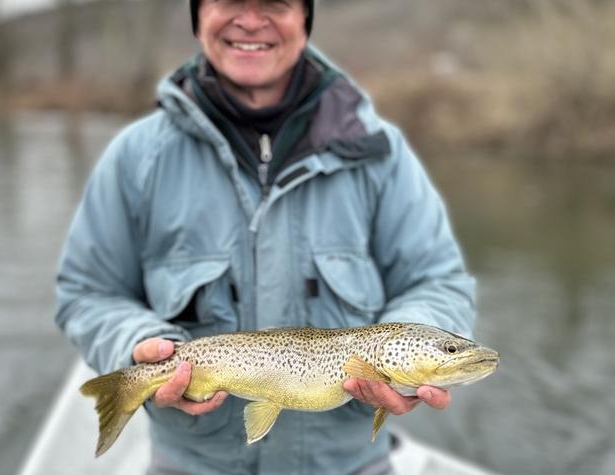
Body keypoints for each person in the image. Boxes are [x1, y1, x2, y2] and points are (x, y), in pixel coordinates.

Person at [55, 1, 476, 474]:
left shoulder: (381, 154)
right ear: (198, 16)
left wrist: (418, 343)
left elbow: (438, 280)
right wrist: (137, 343)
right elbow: (86, 292)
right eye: (230, 1)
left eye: (274, 2)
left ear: (305, 18)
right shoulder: (135, 157)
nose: (251, 20)